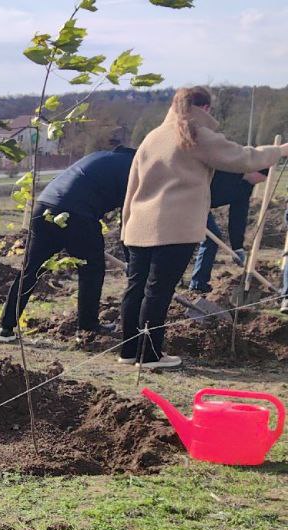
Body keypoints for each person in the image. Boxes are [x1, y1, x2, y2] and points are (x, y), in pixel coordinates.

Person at [119, 86, 288, 370]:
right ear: (205, 108)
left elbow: (132, 186)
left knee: (136, 288)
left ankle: (129, 351)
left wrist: (126, 226)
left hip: (139, 223)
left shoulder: (152, 137)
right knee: (158, 290)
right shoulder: (195, 133)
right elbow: (241, 157)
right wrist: (280, 151)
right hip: (174, 227)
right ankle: (149, 356)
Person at [0, 134, 136, 345]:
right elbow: (129, 217)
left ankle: (5, 328)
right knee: (92, 268)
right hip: (78, 214)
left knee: (31, 269)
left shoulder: (100, 158)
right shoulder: (134, 169)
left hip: (43, 208)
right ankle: (87, 328)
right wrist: (133, 262)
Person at [187, 169, 265, 295]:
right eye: (263, 176)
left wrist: (237, 247)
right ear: (254, 170)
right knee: (208, 237)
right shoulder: (227, 170)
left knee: (211, 238)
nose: (263, 180)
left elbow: (238, 216)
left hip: (204, 205)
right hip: (189, 198)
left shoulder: (246, 187)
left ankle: (198, 284)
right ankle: (191, 282)